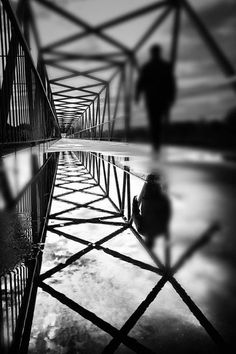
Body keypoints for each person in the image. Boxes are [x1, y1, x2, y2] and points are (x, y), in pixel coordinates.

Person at [135, 44, 176, 151]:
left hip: (151, 98)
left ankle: (156, 144)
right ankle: (160, 141)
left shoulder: (147, 67)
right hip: (163, 98)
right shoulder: (165, 66)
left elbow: (141, 83)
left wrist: (137, 95)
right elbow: (171, 82)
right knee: (161, 119)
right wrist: (171, 96)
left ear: (151, 53)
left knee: (154, 121)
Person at [132, 173, 171, 248]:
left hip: (159, 201)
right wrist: (134, 203)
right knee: (150, 180)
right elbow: (135, 215)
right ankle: (153, 171)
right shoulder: (142, 230)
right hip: (148, 200)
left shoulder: (160, 231)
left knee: (158, 181)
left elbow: (166, 214)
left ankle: (159, 170)